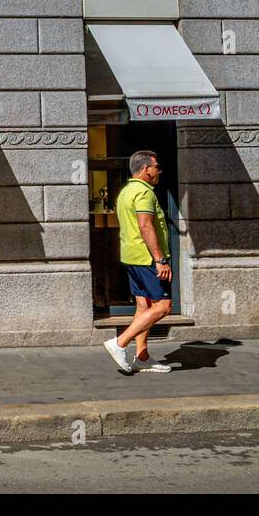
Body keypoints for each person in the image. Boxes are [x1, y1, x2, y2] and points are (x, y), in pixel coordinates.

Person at [103, 150, 173, 374]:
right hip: (146, 258)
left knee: (144, 306)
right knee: (163, 306)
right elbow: (145, 226)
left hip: (131, 256)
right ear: (146, 170)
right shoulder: (145, 194)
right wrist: (160, 259)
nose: (158, 171)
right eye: (156, 167)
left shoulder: (126, 192)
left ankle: (142, 356)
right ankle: (119, 342)